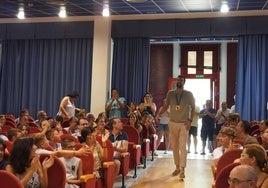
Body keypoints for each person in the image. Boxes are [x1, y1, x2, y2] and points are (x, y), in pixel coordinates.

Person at [155, 75, 195, 179]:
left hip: (183, 124)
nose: (179, 81)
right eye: (178, 80)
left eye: (181, 80)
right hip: (172, 123)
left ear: (184, 82)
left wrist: (190, 120)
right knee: (175, 147)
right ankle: (177, 167)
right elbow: (165, 106)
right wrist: (159, 114)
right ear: (176, 82)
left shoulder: (188, 94)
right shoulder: (170, 93)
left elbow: (193, 108)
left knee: (182, 146)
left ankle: (182, 169)